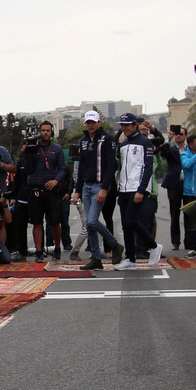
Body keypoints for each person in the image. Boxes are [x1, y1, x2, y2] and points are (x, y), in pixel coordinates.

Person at [73, 110, 123, 271]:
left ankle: (115, 245)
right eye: (88, 122)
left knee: (92, 220)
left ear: (99, 122)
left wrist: (105, 188)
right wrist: (78, 190)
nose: (91, 125)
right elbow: (81, 168)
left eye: (93, 122)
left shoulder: (107, 139)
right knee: (89, 224)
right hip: (86, 186)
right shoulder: (83, 141)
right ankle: (96, 257)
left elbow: (110, 165)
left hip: (99, 186)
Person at [113, 113, 162, 270]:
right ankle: (130, 258)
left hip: (138, 188)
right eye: (122, 125)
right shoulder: (124, 143)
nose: (124, 128)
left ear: (135, 125)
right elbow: (122, 167)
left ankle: (153, 246)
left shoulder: (145, 142)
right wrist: (120, 191)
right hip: (125, 188)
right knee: (125, 225)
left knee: (131, 221)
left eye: (127, 125)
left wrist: (141, 190)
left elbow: (147, 167)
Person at [20, 120, 67, 261]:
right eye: (42, 130)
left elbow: (63, 168)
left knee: (54, 221)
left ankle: (57, 248)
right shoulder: (33, 148)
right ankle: (39, 252)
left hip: (52, 189)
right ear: (39, 132)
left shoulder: (57, 149)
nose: (45, 133)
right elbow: (28, 170)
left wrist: (56, 180)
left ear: (51, 132)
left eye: (47, 130)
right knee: (37, 222)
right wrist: (26, 154)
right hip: (35, 187)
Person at [157, 125, 186, 251]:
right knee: (175, 213)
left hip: (187, 183)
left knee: (189, 213)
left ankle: (190, 241)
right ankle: (175, 241)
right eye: (176, 134)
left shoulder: (189, 149)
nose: (178, 135)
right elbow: (163, 152)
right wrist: (168, 139)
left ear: (185, 136)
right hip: (174, 184)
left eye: (181, 134)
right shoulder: (171, 149)